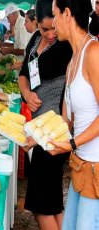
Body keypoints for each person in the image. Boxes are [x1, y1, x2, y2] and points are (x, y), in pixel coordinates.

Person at [18, 0, 72, 229]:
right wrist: (26, 93)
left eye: (53, 27)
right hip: (38, 128)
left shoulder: (64, 46)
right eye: (44, 29)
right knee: (52, 202)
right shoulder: (34, 41)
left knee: (41, 206)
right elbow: (23, 73)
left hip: (52, 132)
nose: (50, 34)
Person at [49, 0, 99, 229]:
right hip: (80, 168)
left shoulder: (94, 53)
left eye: (54, 15)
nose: (52, 23)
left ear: (67, 13)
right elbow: (67, 121)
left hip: (95, 169)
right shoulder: (72, 61)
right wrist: (37, 137)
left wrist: (71, 143)